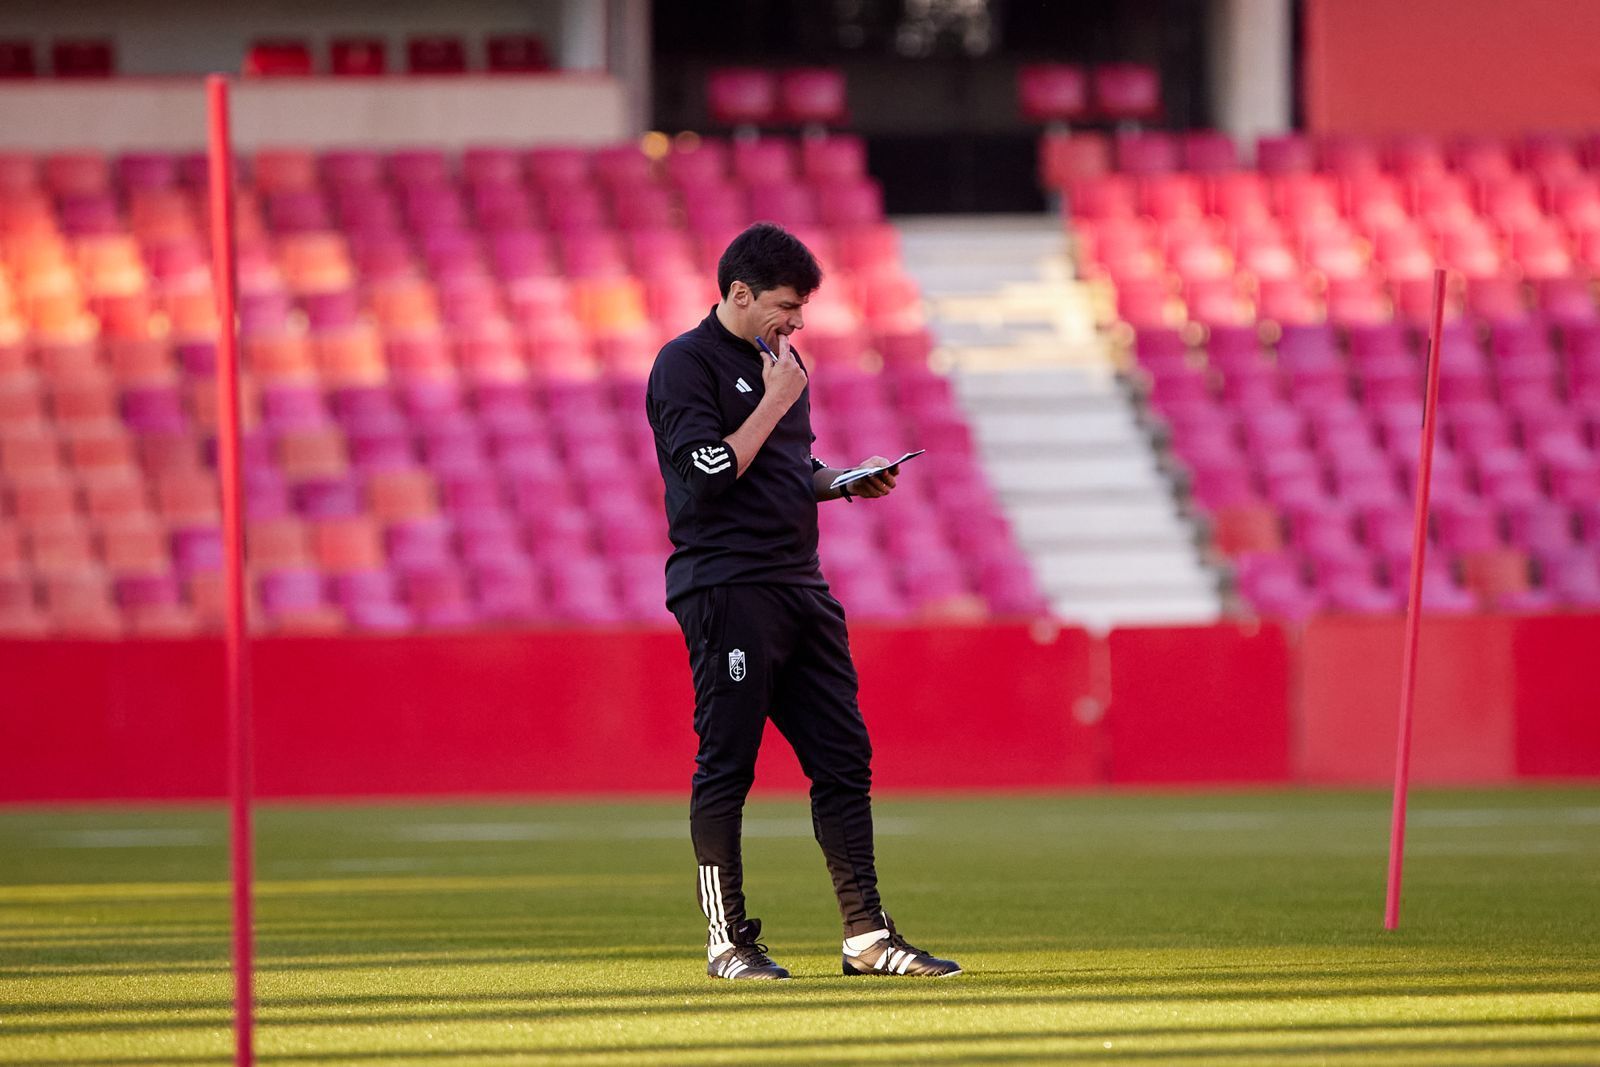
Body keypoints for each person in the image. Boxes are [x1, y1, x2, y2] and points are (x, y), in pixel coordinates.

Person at [645, 221, 962, 981]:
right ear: (739, 293)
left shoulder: (782, 366)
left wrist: (842, 479)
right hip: (727, 586)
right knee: (728, 763)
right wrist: (776, 396)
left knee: (843, 758)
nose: (795, 323)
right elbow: (710, 472)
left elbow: (786, 465)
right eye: (785, 306)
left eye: (801, 309)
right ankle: (727, 941)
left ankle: (867, 936)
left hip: (799, 584)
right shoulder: (684, 364)